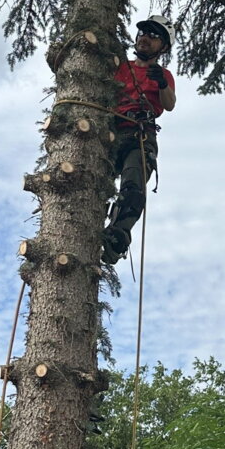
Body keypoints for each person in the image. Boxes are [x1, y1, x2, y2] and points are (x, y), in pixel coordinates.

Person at [101, 16, 176, 265]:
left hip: (140, 134)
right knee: (94, 182)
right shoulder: (120, 66)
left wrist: (162, 83)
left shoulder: (163, 75)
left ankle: (118, 236)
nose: (145, 37)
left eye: (154, 36)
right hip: (110, 131)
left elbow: (169, 104)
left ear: (163, 47)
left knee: (133, 188)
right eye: (143, 32)